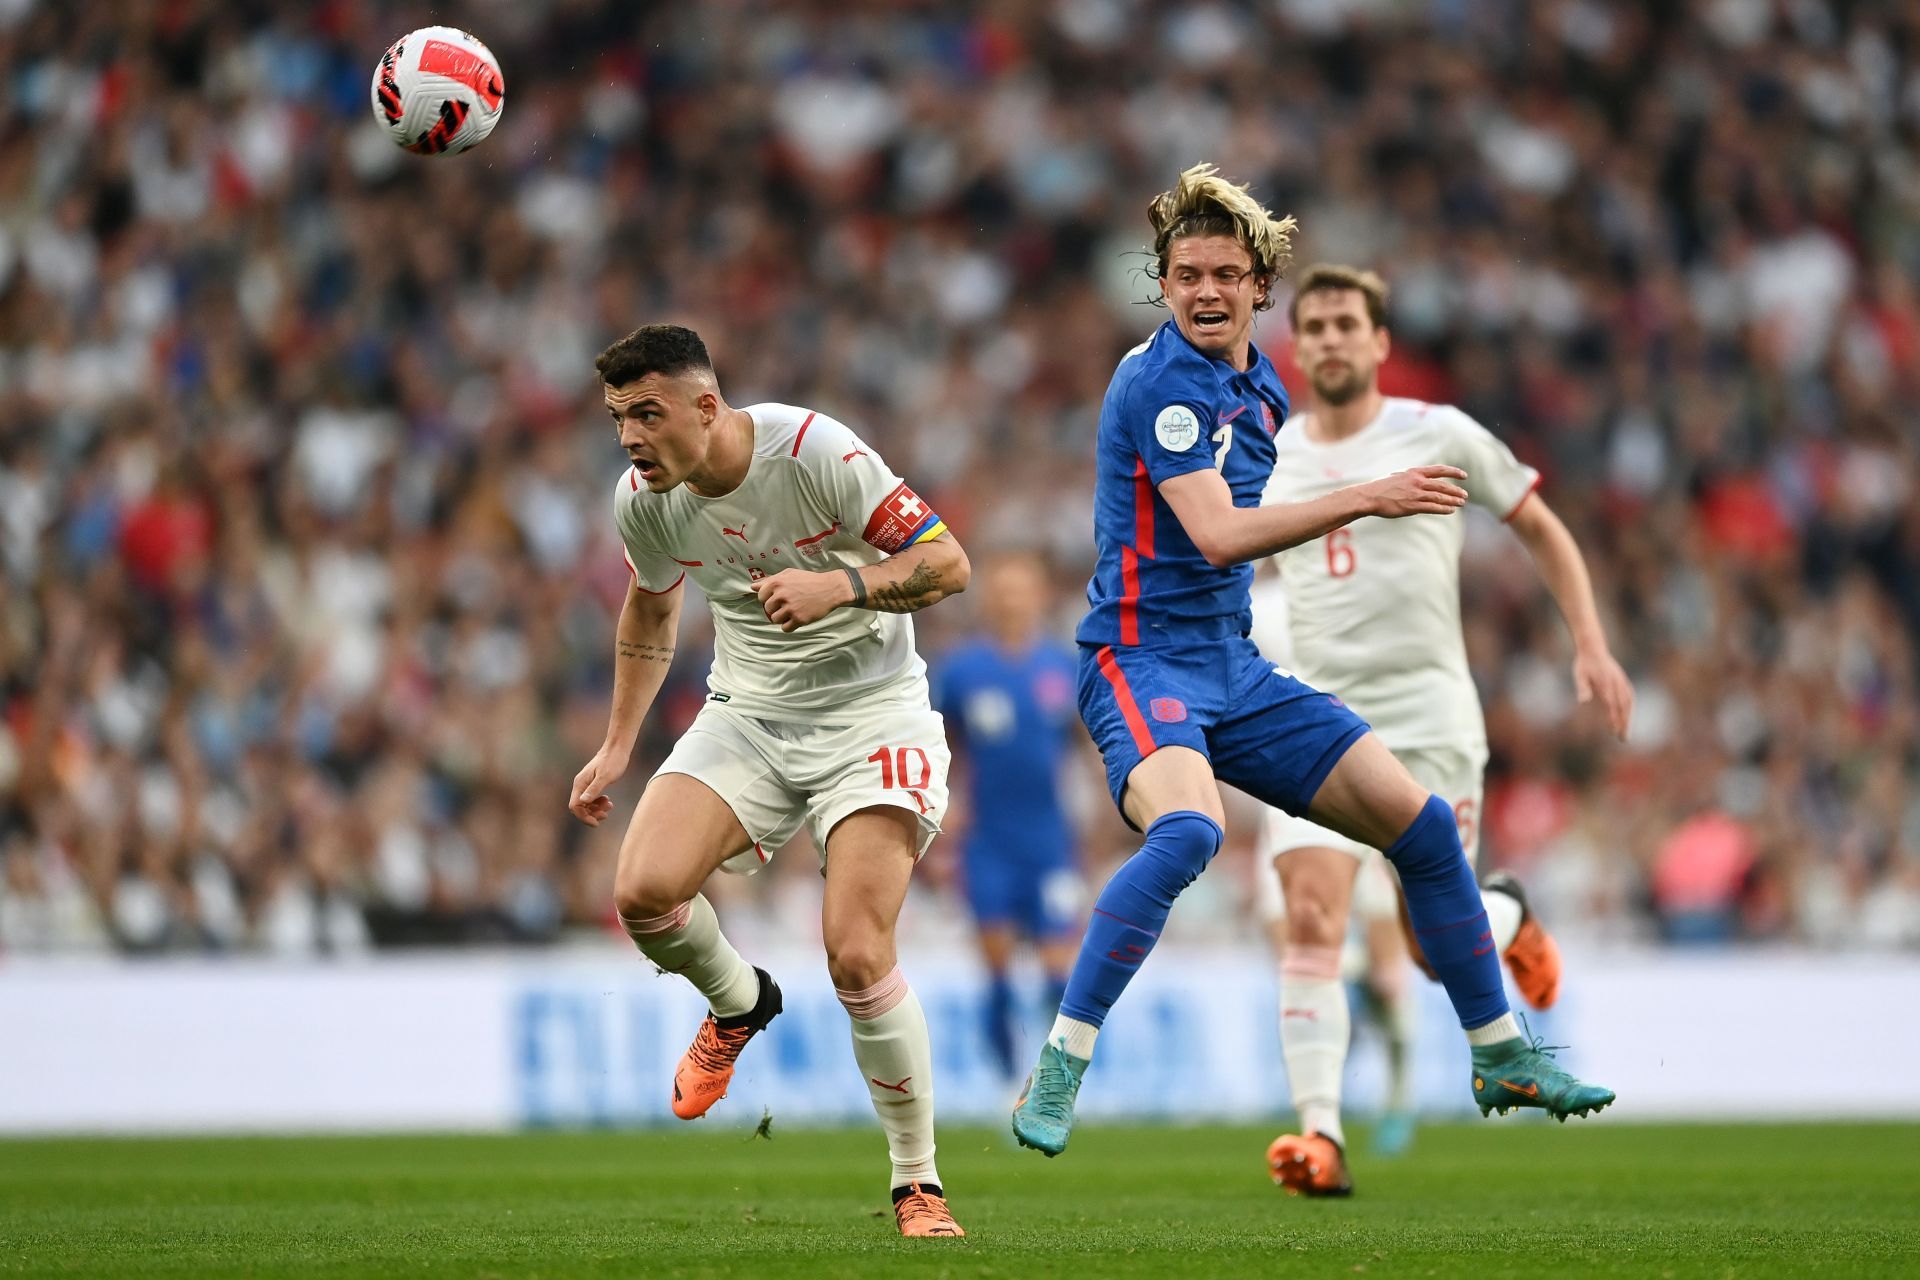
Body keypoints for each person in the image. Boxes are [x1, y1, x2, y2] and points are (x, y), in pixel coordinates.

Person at [1009, 165, 1615, 1160]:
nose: (1205, 291)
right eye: (1186, 273)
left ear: (1260, 286)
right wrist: (1367, 497)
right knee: (1191, 831)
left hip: (1232, 665)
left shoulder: (1262, 385)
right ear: (1161, 283)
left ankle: (1500, 1047)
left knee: (1420, 827)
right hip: (1138, 657)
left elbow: (1261, 528)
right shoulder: (1158, 379)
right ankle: (1066, 1056)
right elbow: (1213, 534)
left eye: (1225, 273)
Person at [567, 324, 971, 1238]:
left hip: (871, 715)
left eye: (646, 413)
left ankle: (918, 1183)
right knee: (642, 893)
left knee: (858, 954)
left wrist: (844, 588)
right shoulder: (645, 501)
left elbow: (949, 563)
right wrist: (620, 742)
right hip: (749, 714)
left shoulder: (814, 450)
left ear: (706, 406)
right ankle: (740, 1002)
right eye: (617, 418)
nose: (629, 436)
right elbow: (651, 604)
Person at [1254, 264, 1635, 1195]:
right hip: (1313, 714)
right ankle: (1319, 1137)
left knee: (1434, 949)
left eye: (1350, 323)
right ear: (1297, 348)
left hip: (1428, 716)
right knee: (1311, 914)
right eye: (1317, 326)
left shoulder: (1439, 432)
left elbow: (1539, 525)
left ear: (1381, 342)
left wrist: (1590, 640)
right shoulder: (1267, 454)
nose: (1333, 339)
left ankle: (1504, 913)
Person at [1247, 570, 1425, 1167]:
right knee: (1302, 946)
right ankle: (1321, 1111)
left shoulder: (1359, 591)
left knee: (1384, 971)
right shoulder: (1247, 601)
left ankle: (1399, 1096)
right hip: (1284, 797)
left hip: (1355, 787)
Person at [933, 549, 1083, 1078]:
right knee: (996, 967)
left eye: (1022, 589)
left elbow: (1086, 746)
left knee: (1057, 973)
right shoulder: (963, 671)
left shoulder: (1063, 668)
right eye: (1003, 589)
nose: (1012, 599)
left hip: (1050, 838)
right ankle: (1004, 1082)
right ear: (989, 599)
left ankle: (1055, 1084)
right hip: (988, 841)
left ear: (1040, 597)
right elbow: (940, 743)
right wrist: (946, 804)